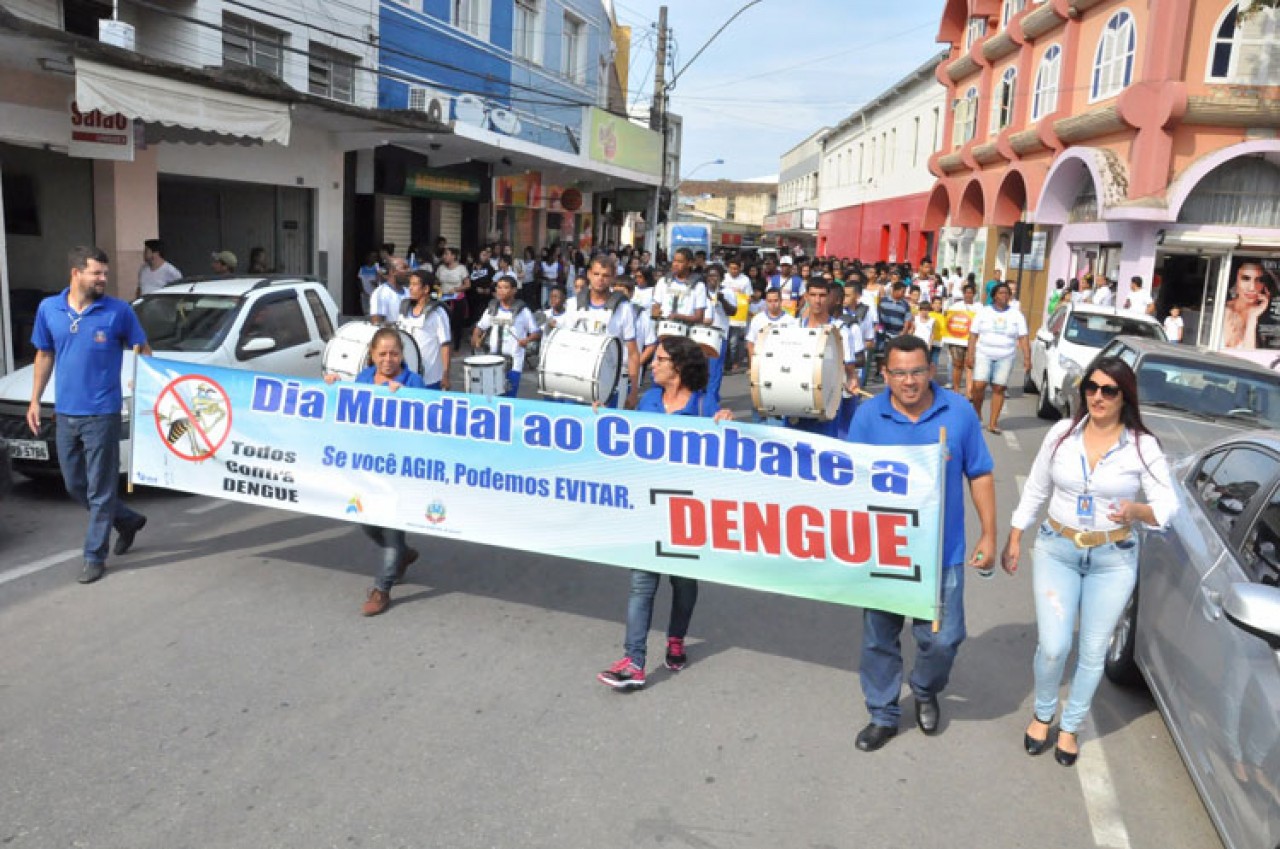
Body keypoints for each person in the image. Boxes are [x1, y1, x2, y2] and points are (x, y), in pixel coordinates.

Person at [1000, 357, 1176, 766]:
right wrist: (1015, 535)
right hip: (1057, 549)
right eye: (1091, 388)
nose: (1097, 397)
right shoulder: (1063, 434)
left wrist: (1137, 510)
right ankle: (1044, 713)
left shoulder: (1141, 445)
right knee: (1054, 646)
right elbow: (1037, 487)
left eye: (1108, 390)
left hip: (1113, 559)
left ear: (1124, 396)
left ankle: (1072, 726)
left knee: (1093, 651)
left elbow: (1168, 505)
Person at [845, 334, 996, 752]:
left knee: (943, 639)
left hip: (940, 554)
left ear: (931, 371)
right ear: (885, 374)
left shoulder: (960, 411)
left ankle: (926, 689)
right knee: (879, 637)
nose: (909, 381)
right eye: (899, 373)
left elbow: (980, 473)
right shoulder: (868, 416)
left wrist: (988, 532)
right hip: (883, 551)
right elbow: (844, 475)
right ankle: (883, 713)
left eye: (917, 372)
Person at [597, 335, 732, 689]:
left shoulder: (704, 406)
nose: (651, 365)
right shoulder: (648, 401)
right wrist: (600, 420)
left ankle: (676, 638)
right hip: (649, 509)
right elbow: (627, 443)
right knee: (641, 584)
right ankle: (634, 659)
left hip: (687, 514)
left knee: (683, 583)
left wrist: (726, 425)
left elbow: (722, 452)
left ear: (679, 366)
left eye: (658, 359)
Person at [27, 246, 151, 584]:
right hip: (65, 413)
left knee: (100, 487)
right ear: (76, 272)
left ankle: (95, 555)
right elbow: (44, 354)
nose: (103, 279)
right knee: (74, 484)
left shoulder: (118, 311)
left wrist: (140, 374)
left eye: (105, 273)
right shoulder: (49, 308)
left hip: (103, 413)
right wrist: (35, 401)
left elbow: (143, 347)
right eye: (97, 273)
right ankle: (125, 520)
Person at [323, 327, 425, 616]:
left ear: (402, 355)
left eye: (394, 353)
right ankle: (404, 555)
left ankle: (382, 588)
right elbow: (347, 406)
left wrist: (407, 398)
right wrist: (331, 388)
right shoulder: (365, 378)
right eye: (382, 354)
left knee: (392, 530)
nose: (388, 359)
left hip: (401, 470)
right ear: (372, 355)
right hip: (368, 467)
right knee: (367, 523)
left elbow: (430, 420)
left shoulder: (413, 381)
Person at [561, 256, 641, 409]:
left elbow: (632, 352)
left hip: (608, 381)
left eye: (605, 275)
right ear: (589, 274)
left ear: (613, 278)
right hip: (576, 378)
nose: (600, 279)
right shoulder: (573, 304)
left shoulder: (624, 308)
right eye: (596, 274)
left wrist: (634, 390)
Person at [968, 282, 1030, 434]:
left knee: (999, 387)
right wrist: (970, 355)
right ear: (994, 296)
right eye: (1001, 293)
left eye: (1007, 293)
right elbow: (973, 334)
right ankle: (976, 413)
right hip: (984, 353)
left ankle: (993, 423)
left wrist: (1027, 358)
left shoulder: (1016, 315)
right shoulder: (984, 312)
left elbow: (1023, 337)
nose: (1004, 296)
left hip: (1006, 356)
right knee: (978, 386)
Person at [472, 277, 540, 397]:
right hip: (492, 361)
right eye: (499, 287)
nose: (501, 291)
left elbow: (536, 332)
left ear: (514, 290)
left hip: (513, 364)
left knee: (508, 398)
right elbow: (480, 327)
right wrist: (476, 337)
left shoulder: (523, 311)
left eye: (505, 287)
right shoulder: (492, 309)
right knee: (490, 398)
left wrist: (527, 340)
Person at [397, 269, 451, 390]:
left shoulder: (437, 313)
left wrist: (446, 374)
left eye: (415, 284)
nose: (410, 288)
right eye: (410, 284)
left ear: (426, 289)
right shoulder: (404, 309)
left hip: (430, 377)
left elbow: (445, 345)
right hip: (406, 375)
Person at [1223, 260, 1278, 350]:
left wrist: (1252, 318)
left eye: (1259, 280)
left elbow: (1249, 354)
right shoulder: (1220, 311)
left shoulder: (1267, 318)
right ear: (1235, 281)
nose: (1252, 287)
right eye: (1245, 278)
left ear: (1265, 287)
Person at [942, 283, 980, 392]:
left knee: (970, 364)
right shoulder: (955, 306)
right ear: (963, 294)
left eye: (971, 293)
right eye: (966, 293)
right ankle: (956, 389)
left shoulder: (979, 307)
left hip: (972, 341)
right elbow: (948, 319)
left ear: (974, 294)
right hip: (956, 341)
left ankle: (969, 391)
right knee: (957, 365)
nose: (968, 295)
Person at [434, 247, 470, 351]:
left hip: (457, 299)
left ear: (453, 256)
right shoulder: (441, 268)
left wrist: (456, 289)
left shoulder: (461, 268)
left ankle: (456, 347)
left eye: (447, 254)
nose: (444, 257)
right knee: (443, 322)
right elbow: (437, 282)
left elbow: (467, 284)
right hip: (443, 298)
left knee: (457, 324)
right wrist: (437, 287)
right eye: (444, 254)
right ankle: (444, 346)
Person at [369, 258, 410, 324]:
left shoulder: (409, 292)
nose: (409, 271)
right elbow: (376, 323)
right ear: (393, 271)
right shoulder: (381, 293)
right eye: (404, 268)